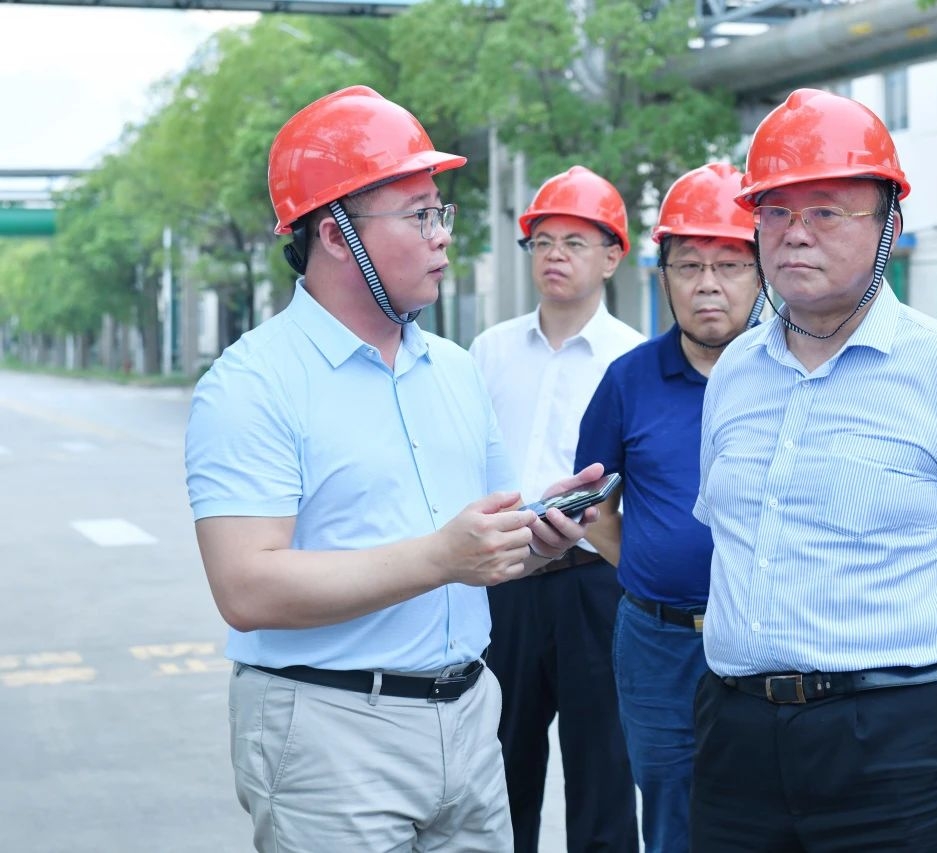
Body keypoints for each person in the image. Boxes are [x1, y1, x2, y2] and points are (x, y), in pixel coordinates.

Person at [183, 86, 600, 853]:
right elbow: (246, 588)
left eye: (440, 213)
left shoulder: (454, 369)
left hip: (470, 718)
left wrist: (536, 537)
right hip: (331, 730)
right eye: (419, 215)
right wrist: (442, 556)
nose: (443, 237)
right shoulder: (252, 384)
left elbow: (477, 548)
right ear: (335, 233)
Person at [690, 88, 937, 851]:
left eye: (826, 211)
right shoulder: (734, 373)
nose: (795, 233)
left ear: (890, 226)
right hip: (737, 743)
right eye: (775, 211)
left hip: (906, 750)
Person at [573, 162, 763, 853]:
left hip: (770, 639)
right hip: (659, 644)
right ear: (664, 278)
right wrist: (649, 565)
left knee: (767, 810)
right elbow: (592, 505)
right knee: (669, 807)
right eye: (688, 265)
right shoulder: (629, 379)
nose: (708, 283)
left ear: (762, 273)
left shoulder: (791, 373)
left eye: (729, 264)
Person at [469, 165, 644, 852]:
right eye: (541, 241)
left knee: (603, 768)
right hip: (505, 580)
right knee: (499, 765)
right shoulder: (489, 351)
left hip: (596, 583)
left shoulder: (632, 359)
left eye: (574, 242)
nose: (554, 256)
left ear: (612, 256)